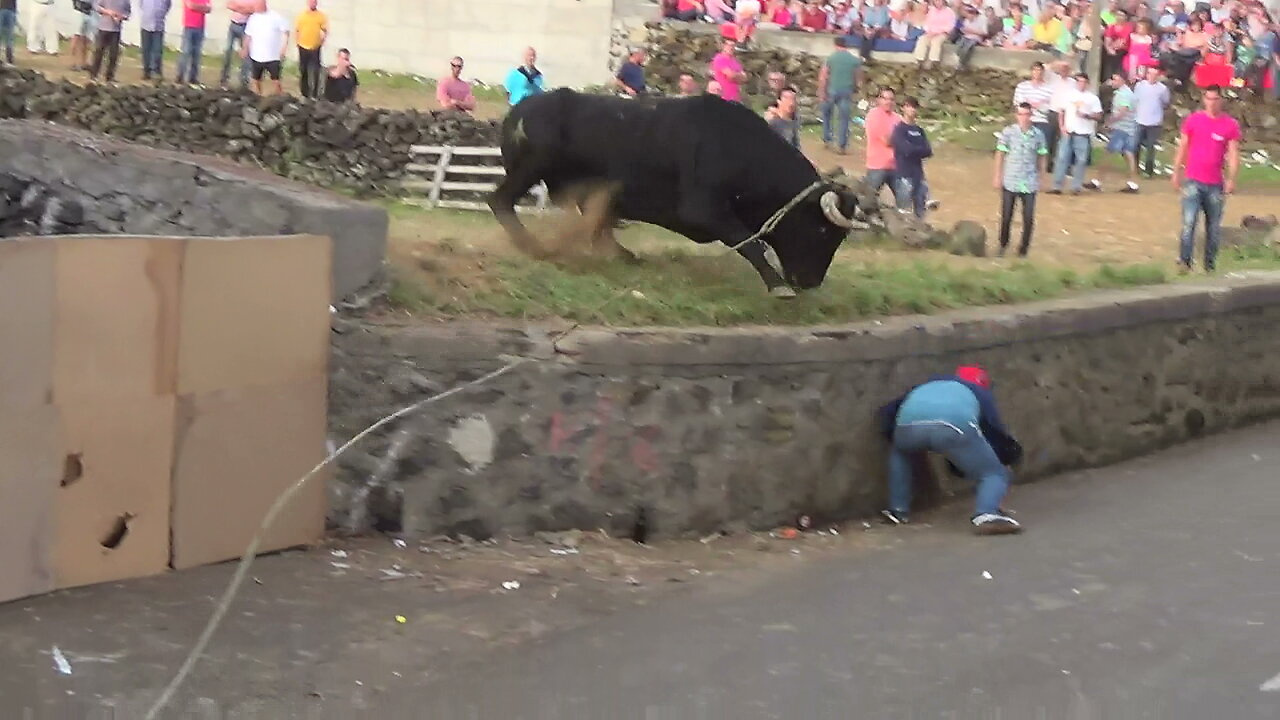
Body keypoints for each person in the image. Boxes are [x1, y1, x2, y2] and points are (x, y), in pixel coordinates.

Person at [876, 365, 1024, 535]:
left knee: (901, 451)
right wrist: (1007, 456)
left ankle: (897, 510)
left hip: (906, 426)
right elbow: (994, 430)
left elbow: (887, 412)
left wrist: (895, 436)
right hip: (952, 426)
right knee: (993, 473)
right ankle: (987, 513)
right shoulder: (979, 392)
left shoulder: (927, 385)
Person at [1171, 84, 1240, 274]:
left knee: (1213, 228)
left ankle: (1209, 264)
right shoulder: (1193, 120)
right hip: (1193, 179)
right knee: (1189, 222)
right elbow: (1183, 147)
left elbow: (1233, 154)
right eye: (1208, 99)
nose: (1211, 103)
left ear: (1221, 100)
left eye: (1214, 99)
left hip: (1215, 183)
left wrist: (1231, 178)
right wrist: (1176, 171)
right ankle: (1185, 262)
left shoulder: (1229, 125)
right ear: (1204, 99)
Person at [994, 102, 1048, 257]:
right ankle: (1003, 244)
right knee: (1006, 216)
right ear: (1017, 116)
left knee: (1029, 218)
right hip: (1011, 178)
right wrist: (998, 175)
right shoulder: (1008, 133)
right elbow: (1000, 154)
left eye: (1027, 114)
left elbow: (1042, 155)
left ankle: (1023, 248)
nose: (1024, 118)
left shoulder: (1038, 135)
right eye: (1021, 114)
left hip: (1029, 180)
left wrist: (1042, 176)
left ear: (1031, 116)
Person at [1049, 72, 1102, 195]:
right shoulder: (1068, 95)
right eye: (1079, 81)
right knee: (1062, 158)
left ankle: (1076, 186)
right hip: (1068, 131)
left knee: (1081, 160)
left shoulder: (1092, 98)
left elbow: (1099, 115)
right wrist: (1062, 126)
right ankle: (1057, 185)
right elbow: (1061, 112)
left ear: (1087, 84)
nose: (1081, 84)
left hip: (1083, 133)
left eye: (1083, 82)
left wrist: (1087, 115)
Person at [818, 35, 863, 155]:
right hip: (846, 90)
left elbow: (823, 77)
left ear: (835, 45)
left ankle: (827, 139)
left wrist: (822, 92)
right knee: (844, 118)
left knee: (827, 114)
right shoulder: (854, 60)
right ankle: (841, 145)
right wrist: (856, 89)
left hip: (831, 90)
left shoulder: (831, 58)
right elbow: (858, 79)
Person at [891, 96, 932, 218]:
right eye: (908, 106)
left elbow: (928, 151)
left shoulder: (919, 130)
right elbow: (905, 150)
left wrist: (914, 149)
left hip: (919, 175)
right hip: (903, 175)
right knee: (904, 213)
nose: (912, 110)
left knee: (921, 212)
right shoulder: (899, 130)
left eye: (914, 107)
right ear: (903, 108)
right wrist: (918, 149)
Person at [865, 86, 903, 206]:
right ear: (878, 100)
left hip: (896, 166)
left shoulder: (897, 118)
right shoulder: (873, 116)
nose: (888, 102)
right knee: (867, 201)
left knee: (904, 201)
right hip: (878, 166)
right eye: (885, 98)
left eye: (891, 99)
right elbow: (887, 141)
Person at [242, 0, 290, 95]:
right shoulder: (253, 18)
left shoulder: (275, 17)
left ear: (263, 4)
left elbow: (286, 32)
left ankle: (279, 99)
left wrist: (283, 48)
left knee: (276, 81)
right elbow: (248, 35)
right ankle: (258, 98)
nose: (255, 6)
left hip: (273, 56)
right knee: (255, 80)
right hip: (257, 55)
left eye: (257, 4)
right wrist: (245, 48)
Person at [1105, 72, 1141, 193]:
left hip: (1122, 128)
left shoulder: (1124, 95)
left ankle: (1097, 180)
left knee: (1109, 152)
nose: (1113, 82)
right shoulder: (1125, 93)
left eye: (1115, 79)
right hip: (1128, 127)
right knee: (1128, 154)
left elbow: (1122, 111)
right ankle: (1133, 183)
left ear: (1122, 80)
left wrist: (1110, 122)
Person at [89, 0, 132, 83]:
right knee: (99, 52)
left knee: (113, 54)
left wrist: (121, 17)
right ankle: (94, 75)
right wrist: (107, 12)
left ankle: (109, 77)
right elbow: (95, 6)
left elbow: (128, 13)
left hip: (116, 29)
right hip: (103, 28)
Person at [294, 0, 327, 99]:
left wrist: (322, 41)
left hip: (315, 47)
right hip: (303, 46)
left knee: (316, 71)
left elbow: (325, 30)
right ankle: (304, 92)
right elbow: (297, 30)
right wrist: (297, 42)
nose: (313, 3)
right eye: (311, 1)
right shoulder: (302, 15)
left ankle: (315, 94)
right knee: (303, 70)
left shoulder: (321, 16)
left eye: (314, 2)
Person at [176, 0, 212, 85]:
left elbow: (209, 9)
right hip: (189, 26)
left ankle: (193, 77)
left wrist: (197, 7)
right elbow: (190, 5)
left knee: (197, 54)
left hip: (200, 27)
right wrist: (202, 7)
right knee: (185, 52)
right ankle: (180, 76)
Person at [220, 0, 254, 88]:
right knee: (228, 51)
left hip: (246, 26)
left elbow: (253, 10)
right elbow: (229, 5)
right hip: (234, 24)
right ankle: (224, 77)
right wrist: (243, 9)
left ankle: (244, 79)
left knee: (246, 54)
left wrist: (238, 8)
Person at [914, 0, 957, 70]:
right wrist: (928, 31)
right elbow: (927, 22)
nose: (938, 2)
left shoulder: (949, 12)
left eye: (939, 1)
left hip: (943, 33)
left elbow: (950, 26)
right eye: (936, 1)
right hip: (930, 32)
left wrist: (937, 32)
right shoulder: (932, 10)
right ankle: (919, 60)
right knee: (922, 39)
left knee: (936, 41)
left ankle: (933, 61)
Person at [138, 0, 170, 81]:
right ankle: (146, 72)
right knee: (146, 50)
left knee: (157, 50)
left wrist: (161, 14)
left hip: (158, 26)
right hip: (146, 24)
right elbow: (141, 5)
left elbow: (167, 5)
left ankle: (157, 72)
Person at [709, 38, 747, 103]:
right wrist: (738, 76)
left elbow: (745, 78)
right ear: (723, 46)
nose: (731, 48)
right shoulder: (720, 59)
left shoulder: (735, 61)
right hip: (723, 97)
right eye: (728, 45)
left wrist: (735, 76)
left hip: (735, 97)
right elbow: (731, 75)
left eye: (733, 45)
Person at [0, 0, 16, 65]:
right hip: (7, 9)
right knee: (9, 36)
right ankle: (9, 58)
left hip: (10, 9)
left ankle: (9, 57)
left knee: (9, 36)